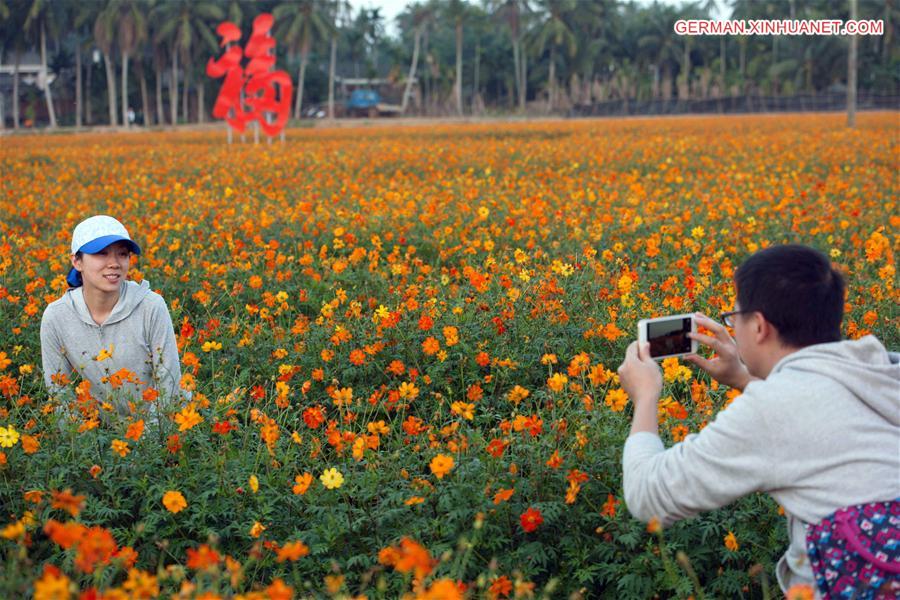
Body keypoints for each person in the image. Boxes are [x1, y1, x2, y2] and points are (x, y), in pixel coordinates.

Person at [617, 244, 899, 592]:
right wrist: (742, 379)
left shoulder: (773, 410)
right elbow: (821, 410)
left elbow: (648, 495)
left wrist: (646, 396)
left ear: (760, 327)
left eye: (734, 318)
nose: (733, 328)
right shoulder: (883, 368)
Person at [40, 215, 186, 423]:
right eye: (101, 253)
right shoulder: (56, 317)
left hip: (164, 428)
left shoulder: (151, 306)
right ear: (76, 261)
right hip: (102, 436)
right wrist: (85, 448)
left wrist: (144, 447)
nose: (115, 263)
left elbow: (168, 386)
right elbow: (59, 395)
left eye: (122, 254)